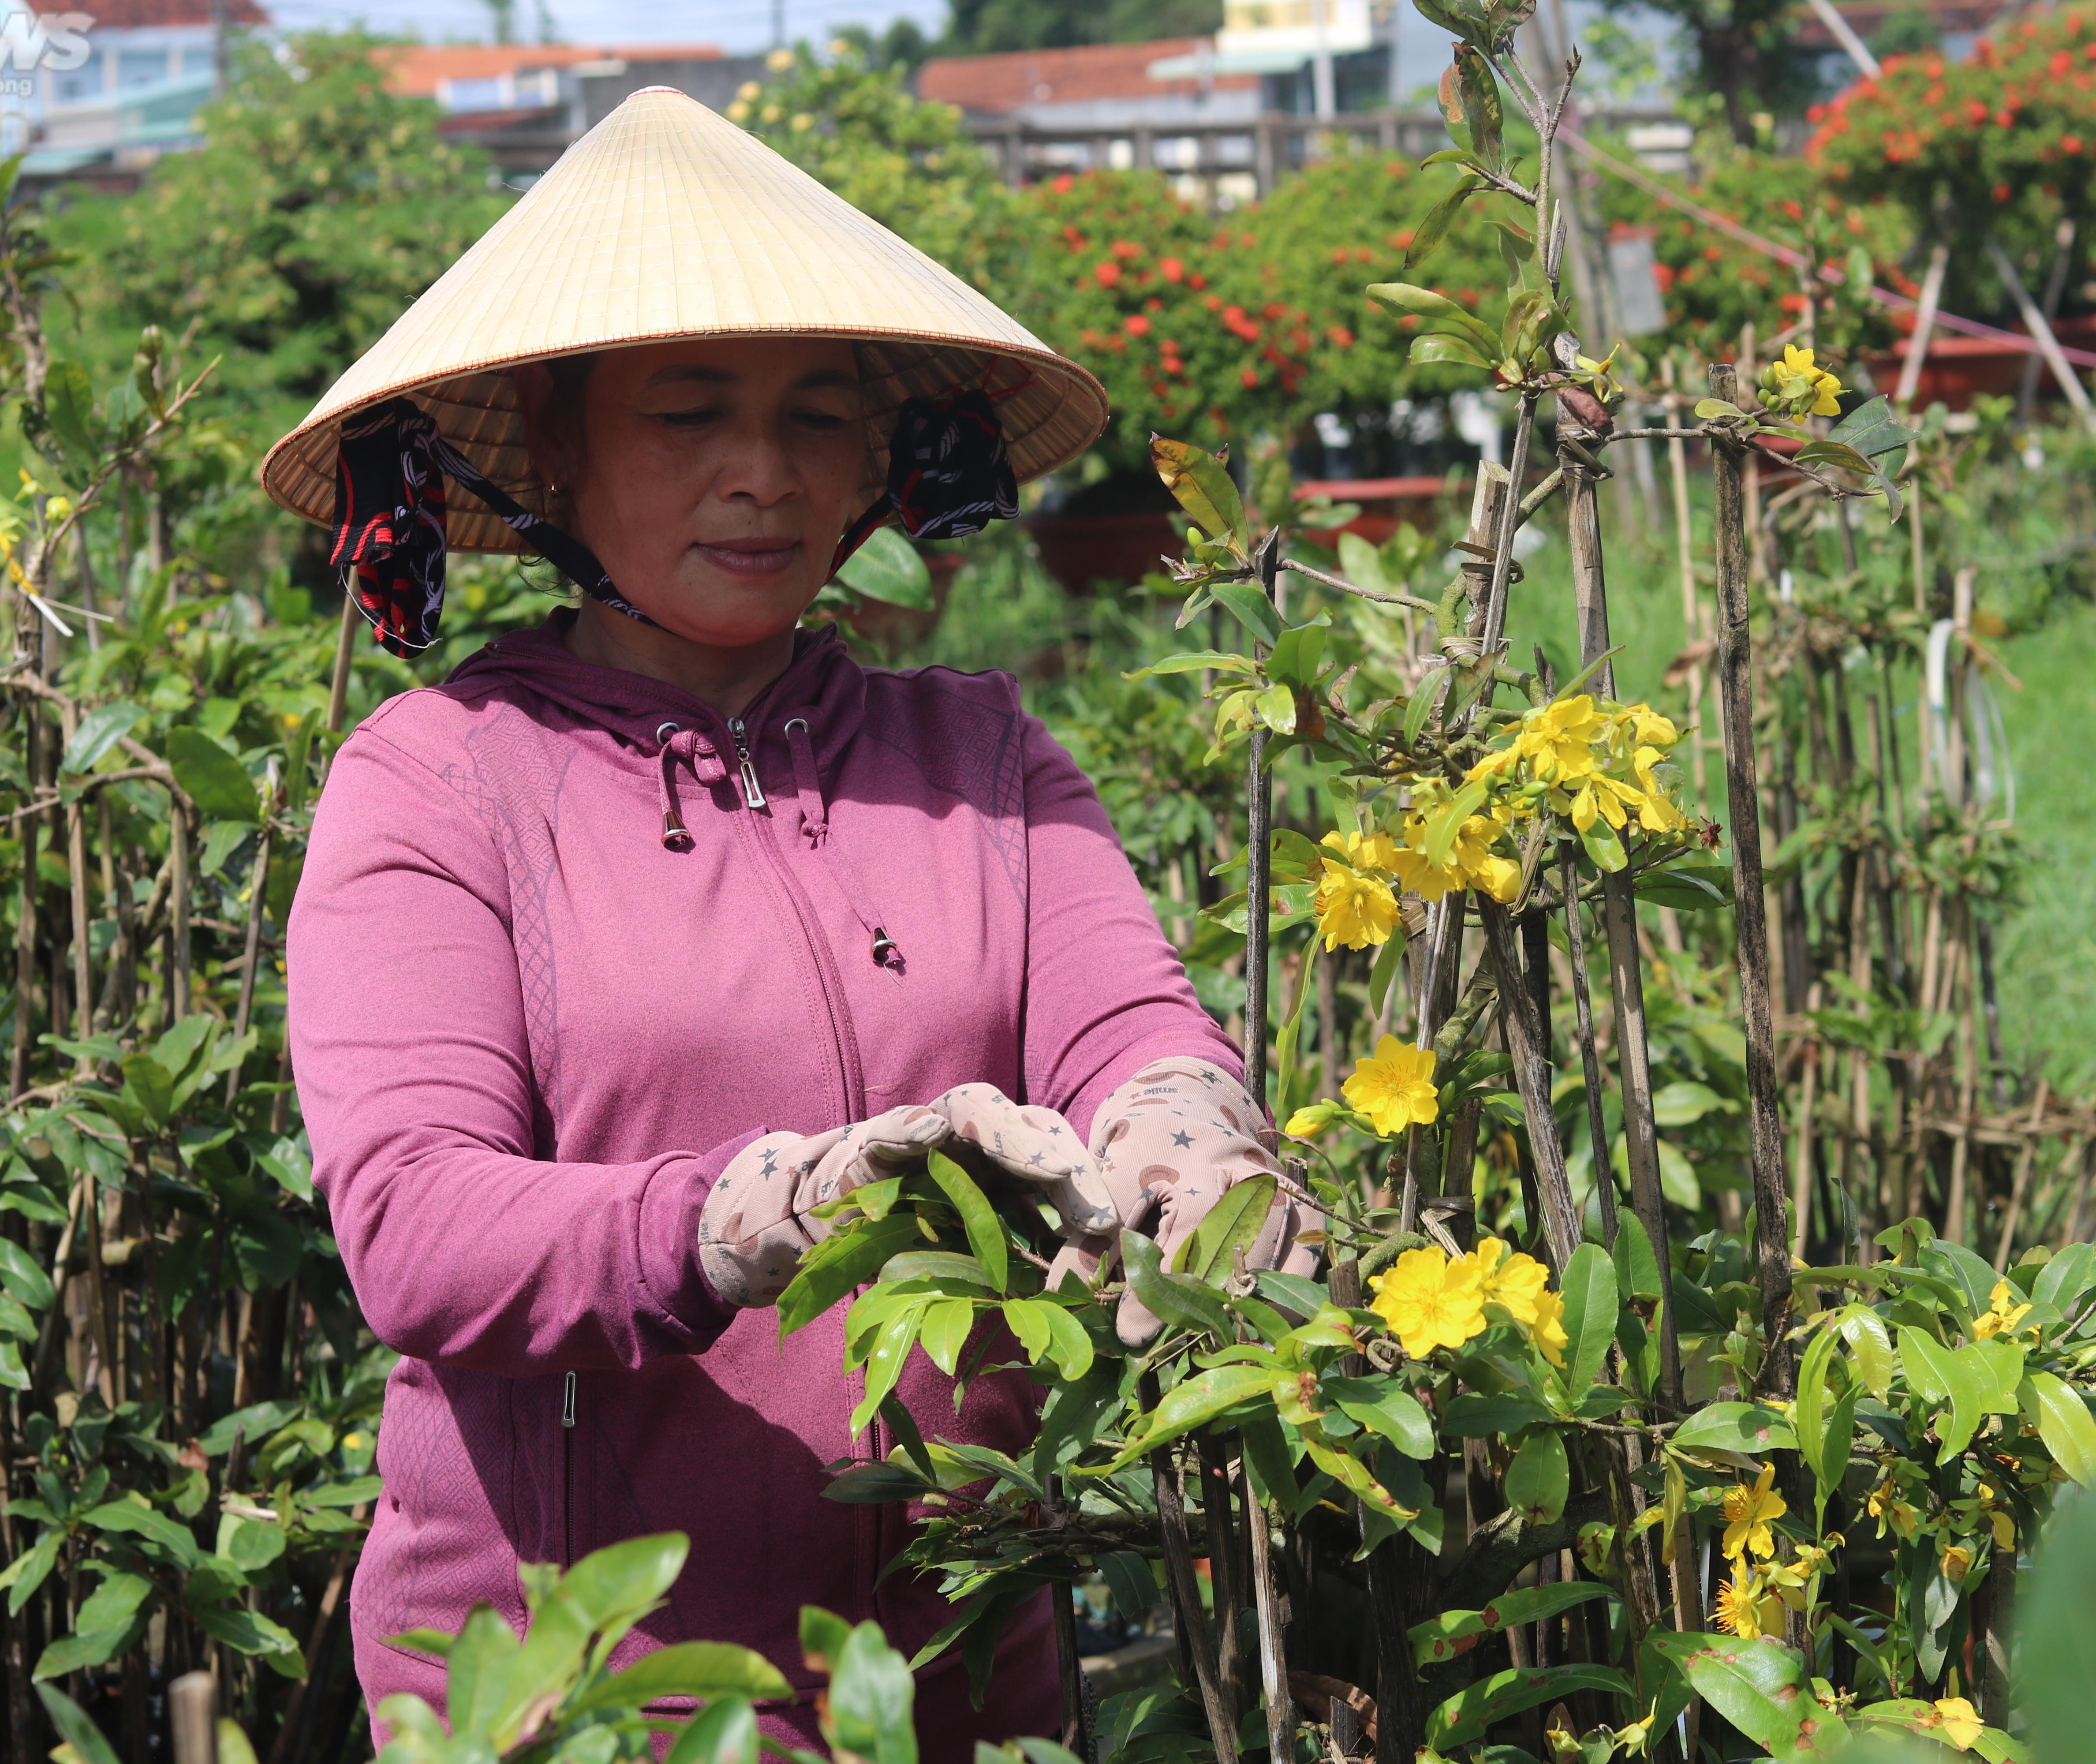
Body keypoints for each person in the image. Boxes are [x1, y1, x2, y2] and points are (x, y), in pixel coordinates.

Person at [265, 88, 1318, 1754]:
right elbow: (417, 1224)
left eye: (817, 418)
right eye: (688, 415)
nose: (763, 476)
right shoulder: (443, 782)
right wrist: (769, 1207)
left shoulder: (979, 757)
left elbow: (1128, 1023)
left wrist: (1191, 1152)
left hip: (961, 1691)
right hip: (576, 1706)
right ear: (553, 444)